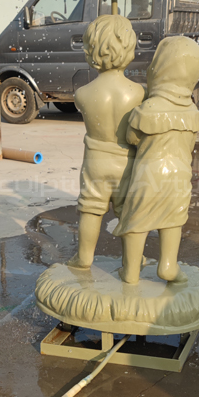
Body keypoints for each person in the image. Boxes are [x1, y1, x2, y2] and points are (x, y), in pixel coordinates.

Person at [114, 35, 199, 283]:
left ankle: (131, 271)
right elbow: (190, 145)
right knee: (173, 219)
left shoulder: (148, 109)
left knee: (137, 220)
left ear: (159, 70)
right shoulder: (193, 112)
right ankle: (168, 266)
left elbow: (132, 138)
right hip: (179, 176)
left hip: (149, 175)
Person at [69, 15, 144, 270]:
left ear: (90, 51)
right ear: (130, 48)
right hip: (128, 161)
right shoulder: (138, 92)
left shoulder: (82, 94)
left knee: (90, 210)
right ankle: (132, 261)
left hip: (95, 162)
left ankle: (83, 258)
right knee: (128, 212)